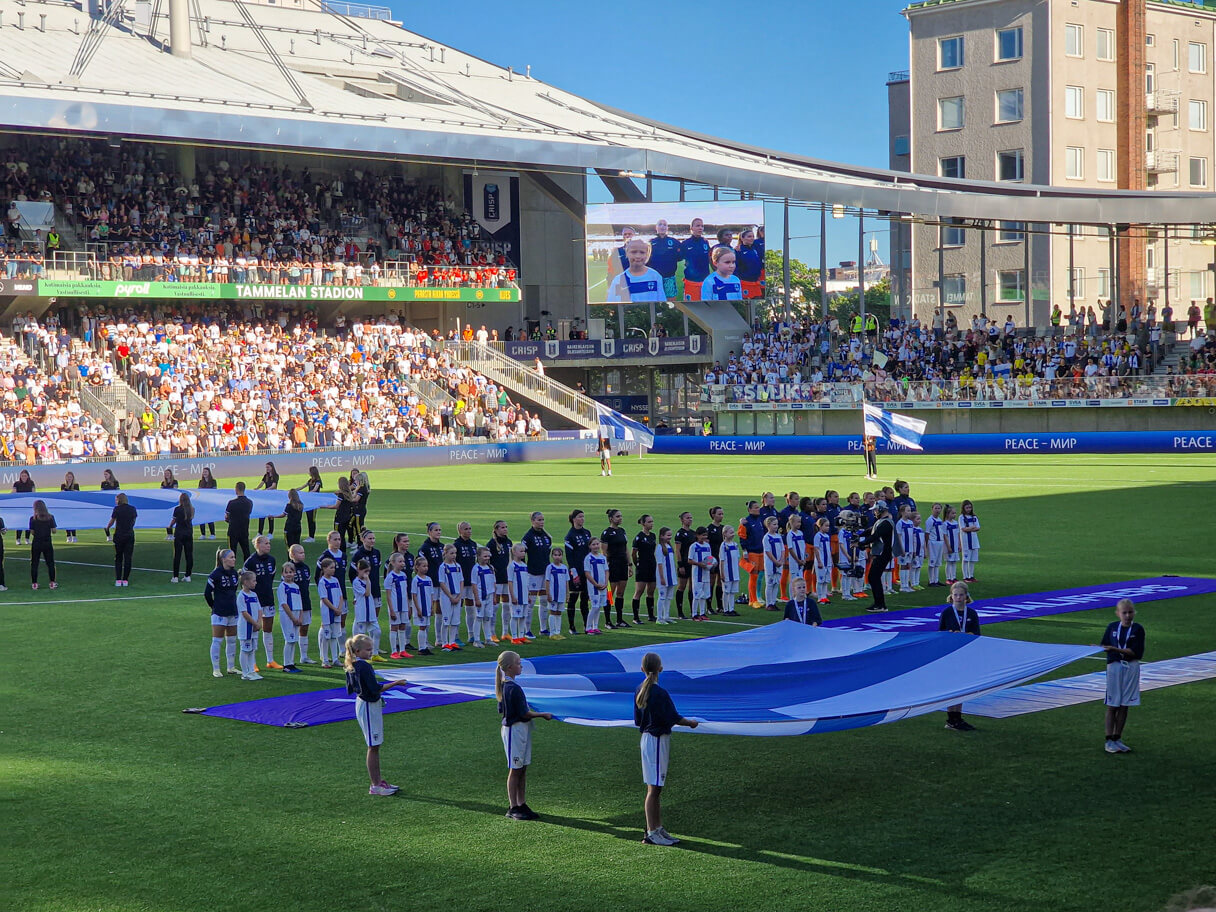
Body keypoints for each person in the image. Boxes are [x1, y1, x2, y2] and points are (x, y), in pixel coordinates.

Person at [634, 652, 698, 845]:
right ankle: (652, 832)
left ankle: (657, 828)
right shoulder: (659, 693)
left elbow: (638, 720)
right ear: (660, 669)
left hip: (648, 739)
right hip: (657, 740)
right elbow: (674, 717)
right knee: (654, 789)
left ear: (642, 669)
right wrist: (692, 723)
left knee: (654, 788)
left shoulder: (639, 690)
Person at [345, 633, 409, 796]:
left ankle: (378, 782)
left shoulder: (352, 664)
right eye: (368, 650)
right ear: (358, 651)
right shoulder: (364, 666)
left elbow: (351, 688)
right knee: (373, 746)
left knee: (375, 745)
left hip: (363, 703)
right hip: (368, 705)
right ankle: (375, 785)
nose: (370, 652)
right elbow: (375, 688)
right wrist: (396, 683)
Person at [497, 650, 554, 821]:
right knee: (515, 769)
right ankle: (513, 806)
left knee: (522, 768)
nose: (521, 666)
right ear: (509, 667)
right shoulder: (512, 688)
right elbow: (523, 713)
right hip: (515, 729)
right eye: (518, 663)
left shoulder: (507, 686)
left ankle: (521, 803)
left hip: (520, 729)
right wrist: (543, 714)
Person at [1100, 598, 1146, 753]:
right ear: (1117, 613)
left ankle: (1117, 737)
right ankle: (1108, 740)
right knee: (1113, 703)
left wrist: (1115, 649)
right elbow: (1104, 645)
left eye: (1130, 612)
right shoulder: (1112, 627)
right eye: (1124, 612)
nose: (1127, 615)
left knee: (1125, 704)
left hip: (1131, 666)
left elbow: (1136, 652)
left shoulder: (1138, 629)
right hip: (1114, 667)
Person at [939, 581, 980, 732]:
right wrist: (951, 636)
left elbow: (977, 634)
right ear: (951, 596)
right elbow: (940, 634)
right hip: (951, 654)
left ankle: (958, 717)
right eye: (955, 595)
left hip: (966, 654)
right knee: (953, 685)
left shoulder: (972, 613)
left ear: (966, 596)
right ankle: (951, 719)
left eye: (961, 595)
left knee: (962, 686)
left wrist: (967, 636)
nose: (958, 597)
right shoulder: (947, 613)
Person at [245, 535, 281, 669]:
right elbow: (246, 581)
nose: (269, 545)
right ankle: (252, 662)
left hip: (268, 598)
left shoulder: (272, 560)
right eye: (266, 543)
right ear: (258, 545)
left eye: (269, 543)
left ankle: (270, 660)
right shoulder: (250, 562)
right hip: (255, 600)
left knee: (268, 629)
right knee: (255, 630)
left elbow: (270, 579)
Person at [204, 549, 240, 677]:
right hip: (219, 612)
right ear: (223, 559)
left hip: (232, 611)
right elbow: (207, 593)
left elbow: (233, 591)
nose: (234, 559)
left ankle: (231, 667)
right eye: (231, 557)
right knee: (217, 640)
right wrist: (213, 607)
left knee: (231, 640)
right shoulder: (215, 574)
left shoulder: (235, 573)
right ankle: (216, 669)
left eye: (234, 557)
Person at [606, 237, 665, 303]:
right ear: (627, 253)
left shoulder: (655, 277)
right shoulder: (618, 280)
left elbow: (662, 303)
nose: (638, 256)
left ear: (647, 254)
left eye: (642, 252)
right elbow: (612, 305)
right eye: (633, 252)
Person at [522, 512, 553, 637]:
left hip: (545, 572)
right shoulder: (528, 537)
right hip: (533, 572)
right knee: (531, 602)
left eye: (543, 519)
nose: (542, 522)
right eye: (539, 520)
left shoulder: (547, 536)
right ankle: (527, 630)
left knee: (544, 601)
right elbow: (522, 555)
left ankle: (543, 628)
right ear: (533, 521)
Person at [859, 503, 894, 612]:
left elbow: (875, 535)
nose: (874, 512)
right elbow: (871, 531)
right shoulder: (883, 522)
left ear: (880, 510)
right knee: (874, 577)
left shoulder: (886, 523)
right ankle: (880, 603)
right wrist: (860, 536)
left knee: (873, 577)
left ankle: (880, 604)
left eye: (875, 510)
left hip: (883, 553)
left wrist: (861, 543)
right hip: (882, 553)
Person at [351, 559, 385, 661]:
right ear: (358, 570)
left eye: (368, 571)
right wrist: (368, 581)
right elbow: (366, 593)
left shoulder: (366, 581)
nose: (367, 574)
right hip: (362, 611)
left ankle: (375, 653)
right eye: (365, 571)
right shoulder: (356, 582)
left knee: (377, 631)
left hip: (370, 611)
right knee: (361, 634)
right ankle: (360, 656)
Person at [287, 544, 316, 666]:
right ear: (292, 555)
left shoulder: (306, 568)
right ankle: (289, 659)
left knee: (305, 628)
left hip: (305, 601)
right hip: (293, 604)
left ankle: (304, 656)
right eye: (300, 553)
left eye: (303, 552)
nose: (303, 555)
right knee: (292, 631)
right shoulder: (289, 568)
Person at [563, 510, 591, 635]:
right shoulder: (570, 536)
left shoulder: (587, 533)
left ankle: (587, 625)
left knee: (585, 599)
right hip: (576, 571)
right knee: (573, 599)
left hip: (586, 571)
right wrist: (574, 574)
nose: (582, 519)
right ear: (573, 519)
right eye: (580, 517)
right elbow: (569, 557)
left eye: (583, 516)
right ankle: (572, 626)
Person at [317, 557, 346, 668]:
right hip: (327, 613)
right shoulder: (322, 582)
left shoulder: (335, 580)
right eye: (331, 567)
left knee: (335, 636)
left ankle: (335, 659)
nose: (333, 570)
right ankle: (325, 659)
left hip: (337, 612)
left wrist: (339, 608)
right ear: (324, 568)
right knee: (326, 636)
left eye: (334, 567)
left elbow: (340, 595)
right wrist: (334, 609)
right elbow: (324, 598)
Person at [103, 493, 138, 588]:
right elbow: (134, 520)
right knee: (128, 558)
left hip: (119, 535)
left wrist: (107, 527)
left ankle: (118, 579)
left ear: (119, 500)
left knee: (118, 557)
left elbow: (112, 520)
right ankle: (125, 579)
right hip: (129, 534)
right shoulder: (132, 509)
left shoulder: (117, 509)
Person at [384, 551, 414, 659]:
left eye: (403, 561)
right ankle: (393, 651)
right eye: (400, 561)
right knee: (394, 627)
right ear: (392, 563)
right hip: (395, 606)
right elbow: (388, 596)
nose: (402, 563)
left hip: (404, 606)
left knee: (402, 626)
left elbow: (405, 592)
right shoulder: (390, 577)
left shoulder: (404, 575)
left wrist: (408, 606)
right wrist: (391, 610)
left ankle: (402, 650)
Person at [276, 562, 305, 673]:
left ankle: (291, 662)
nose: (288, 574)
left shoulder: (296, 586)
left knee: (294, 640)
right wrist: (293, 618)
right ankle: (286, 664)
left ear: (294, 573)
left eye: (291, 572)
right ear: (282, 574)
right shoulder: (282, 587)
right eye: (286, 572)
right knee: (289, 639)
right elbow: (284, 603)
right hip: (288, 615)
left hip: (297, 614)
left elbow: (300, 603)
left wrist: (300, 617)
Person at [237, 570, 264, 681]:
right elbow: (244, 613)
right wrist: (254, 623)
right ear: (246, 582)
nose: (255, 583)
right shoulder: (241, 596)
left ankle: (252, 670)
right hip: (245, 628)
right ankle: (245, 672)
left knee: (252, 650)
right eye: (253, 581)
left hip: (254, 628)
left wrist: (259, 622)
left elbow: (259, 609)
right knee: (245, 649)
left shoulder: (254, 594)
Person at [438, 544, 464, 652]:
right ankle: (444, 643)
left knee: (455, 620)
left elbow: (461, 581)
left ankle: (452, 642)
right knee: (446, 620)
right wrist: (450, 596)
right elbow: (442, 583)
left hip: (457, 596)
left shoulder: (458, 566)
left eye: (455, 553)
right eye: (451, 553)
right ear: (445, 554)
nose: (454, 555)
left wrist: (459, 595)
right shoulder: (443, 567)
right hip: (446, 597)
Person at [632, 514, 657, 624]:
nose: (651, 524)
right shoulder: (639, 537)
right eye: (649, 522)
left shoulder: (653, 536)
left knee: (651, 591)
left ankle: (651, 615)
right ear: (643, 523)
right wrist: (636, 563)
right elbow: (634, 553)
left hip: (652, 565)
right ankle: (636, 617)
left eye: (652, 521)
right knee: (639, 591)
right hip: (642, 566)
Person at [649, 218, 682, 300]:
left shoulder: (674, 242)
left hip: (669, 277)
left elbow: (682, 254)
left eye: (665, 225)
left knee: (671, 302)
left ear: (667, 228)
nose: (662, 226)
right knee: (655, 301)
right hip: (654, 278)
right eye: (660, 224)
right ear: (656, 227)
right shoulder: (650, 243)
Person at [28, 499, 57, 590]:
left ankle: (34, 583)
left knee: (34, 563)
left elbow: (32, 532)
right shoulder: (50, 517)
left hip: (36, 542)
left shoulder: (33, 519)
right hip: (47, 542)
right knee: (50, 563)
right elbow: (54, 531)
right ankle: (52, 582)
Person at [680, 217, 711, 301]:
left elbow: (711, 257)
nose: (700, 228)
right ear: (692, 228)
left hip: (705, 281)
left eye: (702, 226)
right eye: (697, 226)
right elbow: (678, 257)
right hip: (691, 281)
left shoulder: (705, 242)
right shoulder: (685, 243)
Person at [673, 511, 696, 621]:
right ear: (682, 520)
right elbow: (677, 550)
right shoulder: (680, 533)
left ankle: (693, 611)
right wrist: (680, 564)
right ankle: (680, 612)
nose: (690, 519)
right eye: (687, 518)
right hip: (684, 564)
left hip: (692, 563)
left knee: (692, 587)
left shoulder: (693, 533)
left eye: (691, 517)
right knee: (681, 587)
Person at [542, 547, 569, 640]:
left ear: (562, 556)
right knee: (553, 612)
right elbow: (547, 581)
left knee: (559, 613)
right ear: (552, 556)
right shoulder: (550, 567)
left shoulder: (564, 568)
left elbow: (566, 581)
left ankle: (558, 632)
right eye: (555, 555)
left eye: (559, 555)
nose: (557, 557)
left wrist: (567, 594)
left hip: (561, 594)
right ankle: (552, 633)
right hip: (553, 594)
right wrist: (548, 593)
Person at [411, 554, 436, 655]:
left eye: (427, 566)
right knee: (422, 627)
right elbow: (414, 595)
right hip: (420, 607)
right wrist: (418, 609)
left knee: (425, 626)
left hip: (427, 607)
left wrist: (431, 607)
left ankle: (424, 646)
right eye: (423, 566)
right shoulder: (416, 580)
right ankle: (421, 648)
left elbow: (431, 594)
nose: (426, 568)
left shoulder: (429, 579)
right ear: (417, 567)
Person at [506, 543, 531, 644]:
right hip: (516, 595)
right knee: (515, 616)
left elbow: (526, 582)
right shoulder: (512, 566)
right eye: (521, 551)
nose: (523, 553)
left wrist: (528, 595)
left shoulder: (524, 565)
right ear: (514, 552)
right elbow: (510, 581)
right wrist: (512, 595)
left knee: (523, 616)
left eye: (524, 551)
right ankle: (514, 637)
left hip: (524, 595)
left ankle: (521, 636)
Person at [583, 537, 609, 634]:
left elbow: (606, 571)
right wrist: (595, 584)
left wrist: (606, 583)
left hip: (603, 586)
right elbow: (587, 573)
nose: (596, 546)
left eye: (597, 544)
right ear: (589, 546)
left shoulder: (602, 557)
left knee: (599, 606)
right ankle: (588, 627)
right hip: (594, 587)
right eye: (593, 544)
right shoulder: (588, 558)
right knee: (594, 606)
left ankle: (595, 626)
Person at [169, 492, 195, 583]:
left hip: (179, 533)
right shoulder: (191, 509)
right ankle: (188, 575)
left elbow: (174, 520)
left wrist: (170, 526)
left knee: (177, 555)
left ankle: (175, 576)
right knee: (189, 555)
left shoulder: (177, 509)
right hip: (188, 533)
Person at [688, 527, 713, 620]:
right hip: (697, 574)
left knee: (705, 594)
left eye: (705, 535)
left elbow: (709, 558)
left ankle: (702, 613)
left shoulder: (707, 545)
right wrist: (699, 564)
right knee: (697, 595)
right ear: (697, 535)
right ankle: (694, 614)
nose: (704, 537)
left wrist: (711, 564)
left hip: (706, 573)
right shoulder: (693, 546)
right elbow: (689, 560)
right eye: (703, 535)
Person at [761, 515, 785, 610]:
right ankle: (768, 603)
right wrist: (775, 561)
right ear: (768, 525)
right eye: (774, 524)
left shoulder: (778, 536)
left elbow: (783, 549)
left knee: (776, 583)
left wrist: (781, 560)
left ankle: (773, 602)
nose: (776, 526)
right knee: (770, 583)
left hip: (779, 564)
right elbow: (768, 551)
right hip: (771, 564)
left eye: (777, 524)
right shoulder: (766, 538)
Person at [225, 481, 253, 561]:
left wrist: (229, 520)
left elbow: (227, 516)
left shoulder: (231, 503)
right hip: (244, 529)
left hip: (233, 530)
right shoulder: (249, 502)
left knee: (231, 552)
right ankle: (247, 569)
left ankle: (230, 569)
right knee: (246, 551)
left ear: (236, 489)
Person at [717, 525, 741, 616]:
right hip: (727, 572)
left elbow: (737, 558)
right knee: (726, 591)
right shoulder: (723, 546)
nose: (732, 534)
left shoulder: (735, 545)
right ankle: (725, 609)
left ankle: (731, 608)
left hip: (734, 572)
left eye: (733, 532)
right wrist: (722, 573)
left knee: (733, 592)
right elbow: (722, 560)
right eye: (730, 532)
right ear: (724, 534)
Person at [735, 226, 765, 300]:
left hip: (756, 282)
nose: (751, 238)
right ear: (742, 238)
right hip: (745, 282)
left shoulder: (754, 248)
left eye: (753, 236)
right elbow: (735, 266)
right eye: (749, 236)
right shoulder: (738, 250)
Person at [811, 518, 833, 604]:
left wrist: (831, 560)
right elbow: (816, 549)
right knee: (820, 580)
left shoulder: (827, 536)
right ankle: (820, 597)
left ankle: (824, 596)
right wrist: (819, 561)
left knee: (826, 580)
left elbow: (828, 549)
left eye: (828, 526)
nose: (828, 528)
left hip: (827, 561)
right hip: (821, 561)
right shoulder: (817, 536)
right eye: (826, 526)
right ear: (820, 526)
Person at [255, 462, 279, 538]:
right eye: (266, 467)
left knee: (270, 515)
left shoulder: (276, 476)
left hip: (272, 497)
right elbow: (262, 483)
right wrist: (257, 488)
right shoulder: (266, 476)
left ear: (272, 467)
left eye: (268, 467)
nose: (267, 469)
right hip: (265, 497)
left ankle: (270, 533)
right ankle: (259, 532)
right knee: (262, 514)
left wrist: (266, 490)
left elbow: (274, 486)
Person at [960, 499, 981, 583]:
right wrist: (971, 528)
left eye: (970, 507)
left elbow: (978, 527)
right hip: (965, 541)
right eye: (967, 507)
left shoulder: (974, 517)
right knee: (965, 559)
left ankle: (971, 575)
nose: (969, 509)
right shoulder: (961, 517)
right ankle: (965, 576)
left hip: (974, 541)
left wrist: (970, 528)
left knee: (972, 559)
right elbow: (963, 528)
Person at [11, 469, 35, 545]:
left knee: (28, 522)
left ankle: (27, 539)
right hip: (19, 506)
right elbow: (13, 493)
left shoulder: (31, 483)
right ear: (20, 476)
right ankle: (18, 539)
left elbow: (33, 493)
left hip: (28, 505)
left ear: (28, 476)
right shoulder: (16, 484)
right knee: (20, 522)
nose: (24, 477)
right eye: (22, 476)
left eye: (25, 476)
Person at [942, 505, 961, 585]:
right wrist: (948, 546)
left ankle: (953, 577)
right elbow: (945, 536)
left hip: (955, 545)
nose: (954, 515)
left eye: (955, 513)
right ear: (947, 514)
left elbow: (958, 534)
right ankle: (948, 578)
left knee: (954, 562)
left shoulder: (956, 523)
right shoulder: (945, 524)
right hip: (948, 546)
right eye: (952, 513)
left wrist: (960, 544)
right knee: (949, 562)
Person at [197, 467, 218, 540]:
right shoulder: (200, 482)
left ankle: (212, 534)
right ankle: (203, 534)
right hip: (202, 502)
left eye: (206, 472)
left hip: (210, 502)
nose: (204, 473)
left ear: (209, 473)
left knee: (210, 518)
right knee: (201, 518)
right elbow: (198, 491)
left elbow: (214, 491)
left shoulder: (213, 481)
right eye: (203, 472)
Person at [60, 472, 80, 543]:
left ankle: (74, 536)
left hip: (73, 505)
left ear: (73, 477)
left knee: (73, 520)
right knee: (66, 520)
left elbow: (76, 493)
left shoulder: (76, 485)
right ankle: (68, 536)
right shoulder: (63, 485)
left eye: (70, 477)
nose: (69, 478)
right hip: (65, 505)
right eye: (68, 477)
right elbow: (63, 493)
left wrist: (68, 491)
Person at [304, 466, 323, 543]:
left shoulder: (318, 481)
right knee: (309, 518)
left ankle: (312, 536)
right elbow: (303, 486)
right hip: (309, 502)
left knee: (312, 519)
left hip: (314, 502)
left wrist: (307, 494)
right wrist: (294, 490)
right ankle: (310, 536)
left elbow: (315, 490)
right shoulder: (310, 480)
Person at [160, 469, 180, 540]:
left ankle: (175, 534)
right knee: (167, 518)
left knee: (174, 518)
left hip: (173, 502)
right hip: (166, 503)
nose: (166, 475)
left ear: (171, 474)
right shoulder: (163, 483)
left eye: (168, 473)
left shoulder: (175, 482)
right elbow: (161, 492)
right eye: (165, 473)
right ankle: (169, 533)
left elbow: (175, 491)